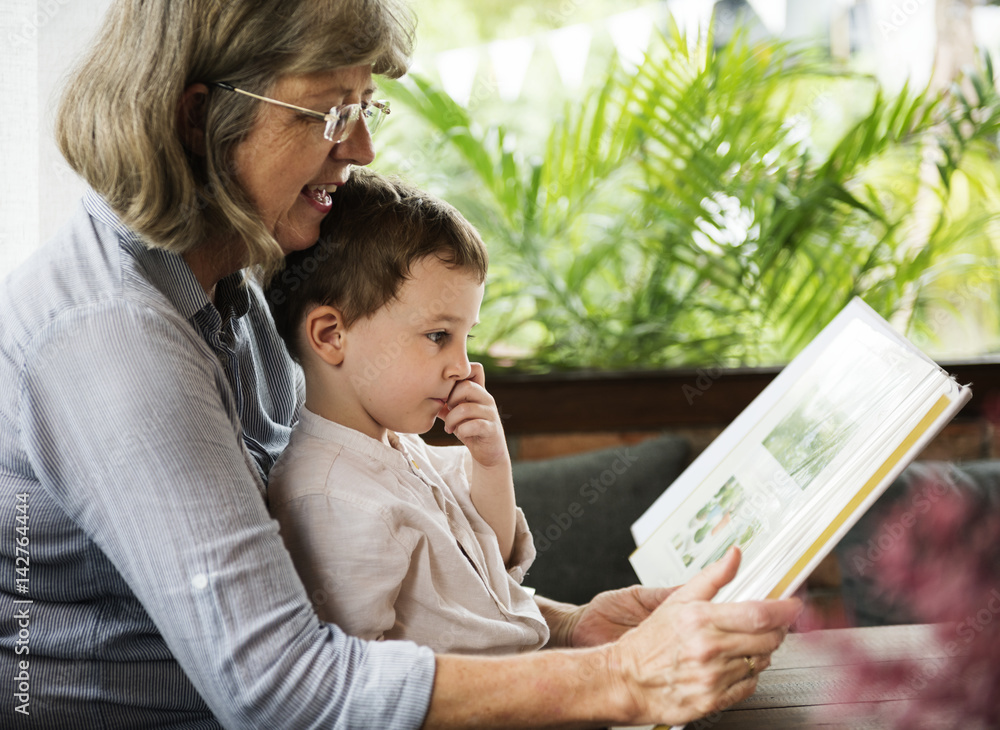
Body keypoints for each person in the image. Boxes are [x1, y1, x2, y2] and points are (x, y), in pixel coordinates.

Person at [0, 1, 802, 728]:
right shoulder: (114, 343)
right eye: (327, 112)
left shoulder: (228, 287)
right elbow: (286, 691)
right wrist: (619, 677)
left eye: (362, 107)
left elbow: (325, 606)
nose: (361, 146)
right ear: (198, 116)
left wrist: (566, 627)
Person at [265, 171, 548, 654]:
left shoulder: (400, 447)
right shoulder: (332, 497)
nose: (462, 366)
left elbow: (493, 562)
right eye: (438, 335)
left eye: (466, 337)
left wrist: (490, 463)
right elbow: (358, 684)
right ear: (332, 335)